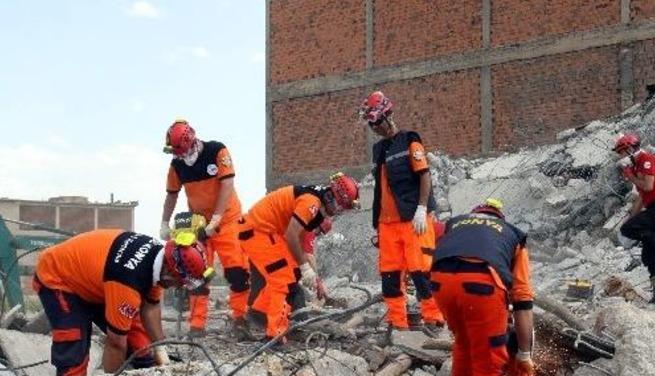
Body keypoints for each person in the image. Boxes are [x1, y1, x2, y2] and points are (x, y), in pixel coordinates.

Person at [34, 229, 212, 376]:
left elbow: (151, 306)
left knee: (143, 348)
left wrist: (161, 350)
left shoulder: (159, 257)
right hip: (60, 278)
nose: (178, 287)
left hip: (101, 282)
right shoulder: (129, 281)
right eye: (178, 283)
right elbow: (115, 343)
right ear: (170, 272)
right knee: (74, 350)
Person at [430, 198, 535, 376]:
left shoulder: (455, 224)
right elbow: (522, 298)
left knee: (465, 341)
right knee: (489, 363)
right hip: (482, 285)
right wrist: (524, 354)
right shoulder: (514, 235)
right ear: (499, 217)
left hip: (440, 282)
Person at [359, 91, 444, 337]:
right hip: (387, 224)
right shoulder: (378, 150)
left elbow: (424, 175)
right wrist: (377, 222)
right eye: (372, 124)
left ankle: (434, 319)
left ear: (388, 115)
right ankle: (398, 323)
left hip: (412, 219)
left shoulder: (410, 141)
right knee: (390, 276)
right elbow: (380, 187)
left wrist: (421, 208)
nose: (375, 128)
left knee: (421, 272)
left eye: (377, 122)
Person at [238, 174, 359, 342]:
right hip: (258, 230)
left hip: (269, 232)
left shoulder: (316, 205)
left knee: (293, 274)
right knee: (282, 279)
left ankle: (257, 315)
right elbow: (292, 235)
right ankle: (275, 334)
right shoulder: (311, 203)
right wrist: (305, 266)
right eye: (340, 205)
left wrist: (312, 276)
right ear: (334, 197)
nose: (339, 210)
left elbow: (300, 243)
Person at [160, 119, 250, 335]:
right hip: (198, 223)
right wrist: (164, 222)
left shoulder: (216, 151)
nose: (178, 156)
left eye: (179, 151)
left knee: (237, 271)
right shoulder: (177, 165)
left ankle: (239, 319)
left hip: (228, 220)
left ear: (190, 142)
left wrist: (217, 218)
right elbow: (172, 195)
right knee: (196, 273)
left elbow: (227, 185)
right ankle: (197, 324)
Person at [614, 133, 655, 303]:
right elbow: (641, 197)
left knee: (628, 229)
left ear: (630, 149)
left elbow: (648, 186)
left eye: (622, 152)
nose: (621, 157)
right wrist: (631, 217)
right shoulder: (636, 167)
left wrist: (630, 176)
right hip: (654, 208)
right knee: (650, 257)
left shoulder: (647, 159)